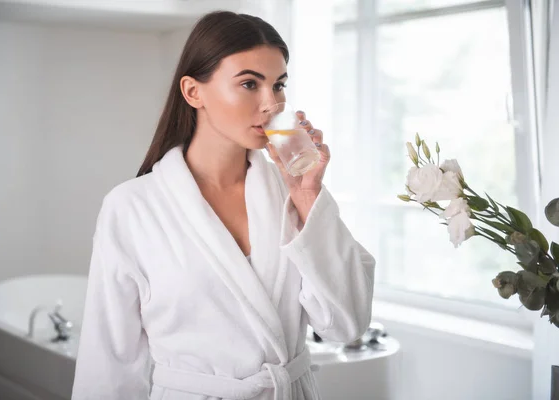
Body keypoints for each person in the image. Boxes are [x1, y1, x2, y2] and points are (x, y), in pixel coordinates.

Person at [71, 10, 375, 400]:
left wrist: (309, 198)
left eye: (278, 85)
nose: (271, 103)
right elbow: (109, 362)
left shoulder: (293, 196)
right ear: (193, 92)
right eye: (250, 83)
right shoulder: (132, 208)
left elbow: (346, 325)